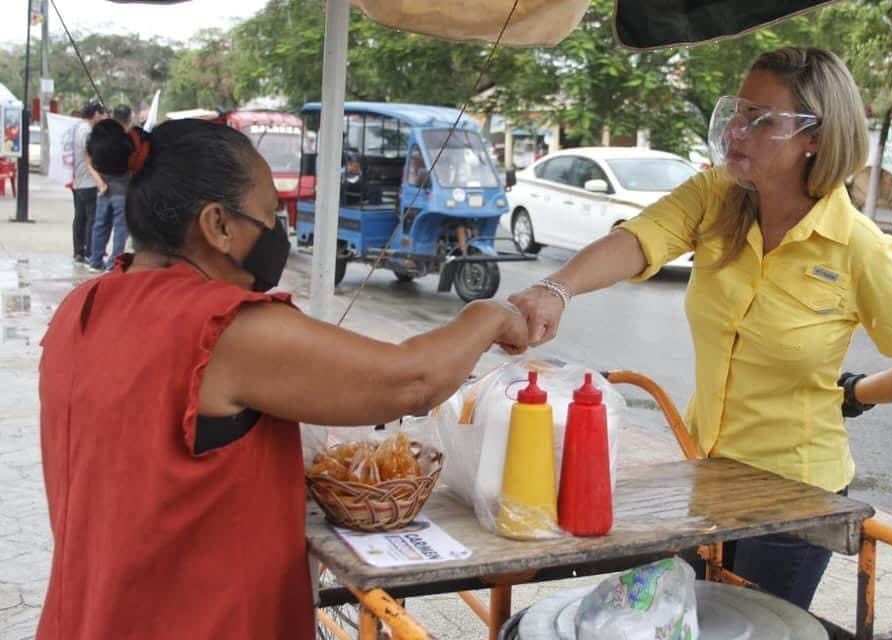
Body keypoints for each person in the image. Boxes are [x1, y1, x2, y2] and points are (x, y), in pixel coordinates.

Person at [37, 118, 528, 640]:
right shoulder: (223, 327)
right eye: (270, 214)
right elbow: (414, 380)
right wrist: (489, 316)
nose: (279, 232)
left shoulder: (82, 306)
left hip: (87, 619)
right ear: (218, 225)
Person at [508, 47, 892, 609]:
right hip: (703, 472)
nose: (736, 132)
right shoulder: (714, 197)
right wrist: (556, 289)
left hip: (795, 497)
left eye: (761, 120)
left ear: (815, 138)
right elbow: (639, 240)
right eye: (737, 112)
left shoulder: (858, 247)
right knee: (683, 615)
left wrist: (855, 393)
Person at [86, 113, 133, 270]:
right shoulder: (126, 143)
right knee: (121, 229)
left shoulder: (99, 143)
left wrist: (100, 183)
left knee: (100, 226)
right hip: (122, 191)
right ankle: (113, 263)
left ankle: (95, 260)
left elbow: (90, 163)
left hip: (104, 190)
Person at [70, 100, 106, 263]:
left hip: (78, 179)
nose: (102, 118)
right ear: (96, 114)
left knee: (80, 217)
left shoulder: (76, 128)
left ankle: (79, 250)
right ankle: (91, 251)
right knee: (92, 218)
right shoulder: (87, 131)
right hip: (89, 180)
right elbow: (92, 153)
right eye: (101, 114)